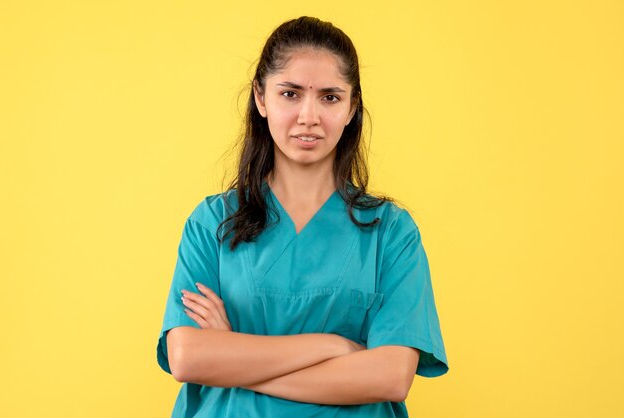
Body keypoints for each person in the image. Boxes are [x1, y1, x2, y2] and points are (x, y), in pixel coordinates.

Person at [156, 16, 448, 418]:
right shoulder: (212, 223)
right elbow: (187, 357)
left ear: (352, 108)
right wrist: (330, 347)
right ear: (261, 99)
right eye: (290, 94)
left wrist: (233, 358)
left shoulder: (391, 233)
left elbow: (390, 376)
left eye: (329, 97)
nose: (308, 116)